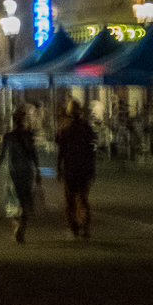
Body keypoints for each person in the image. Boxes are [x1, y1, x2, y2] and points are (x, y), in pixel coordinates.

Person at [0, 105, 41, 244]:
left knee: (12, 205)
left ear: (14, 121)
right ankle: (21, 230)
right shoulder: (29, 136)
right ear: (23, 121)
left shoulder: (8, 137)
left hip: (14, 175)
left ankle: (17, 227)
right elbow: (34, 155)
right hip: (27, 173)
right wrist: (38, 173)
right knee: (25, 204)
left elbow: (1, 157)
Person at [55, 100, 97, 239]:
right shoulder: (87, 128)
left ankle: (75, 227)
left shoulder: (67, 130)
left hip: (70, 169)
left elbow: (61, 151)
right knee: (83, 199)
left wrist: (59, 169)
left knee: (71, 200)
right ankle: (84, 226)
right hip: (83, 168)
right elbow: (92, 151)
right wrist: (92, 168)